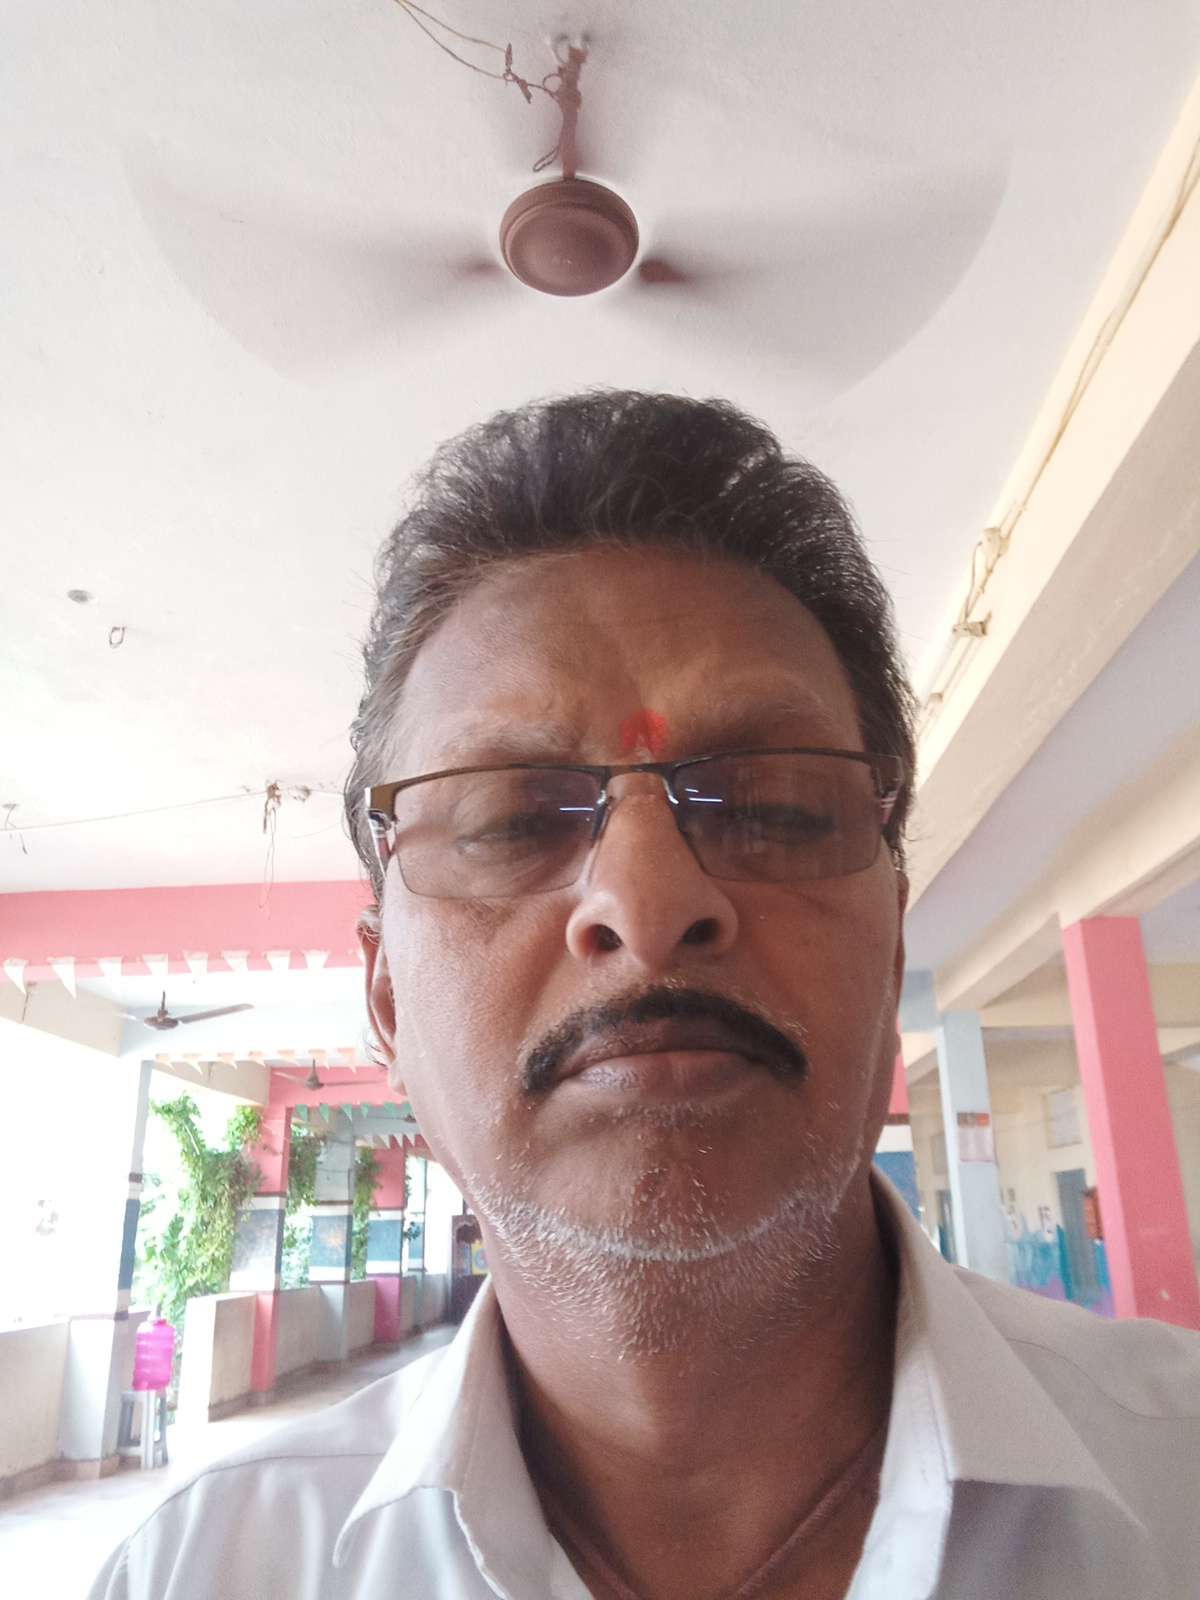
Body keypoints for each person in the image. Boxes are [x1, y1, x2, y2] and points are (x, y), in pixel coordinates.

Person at [90, 392, 1200, 1599]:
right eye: (513, 817)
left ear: (888, 955)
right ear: (388, 1001)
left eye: (773, 805)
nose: (649, 897)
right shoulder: (206, 1570)